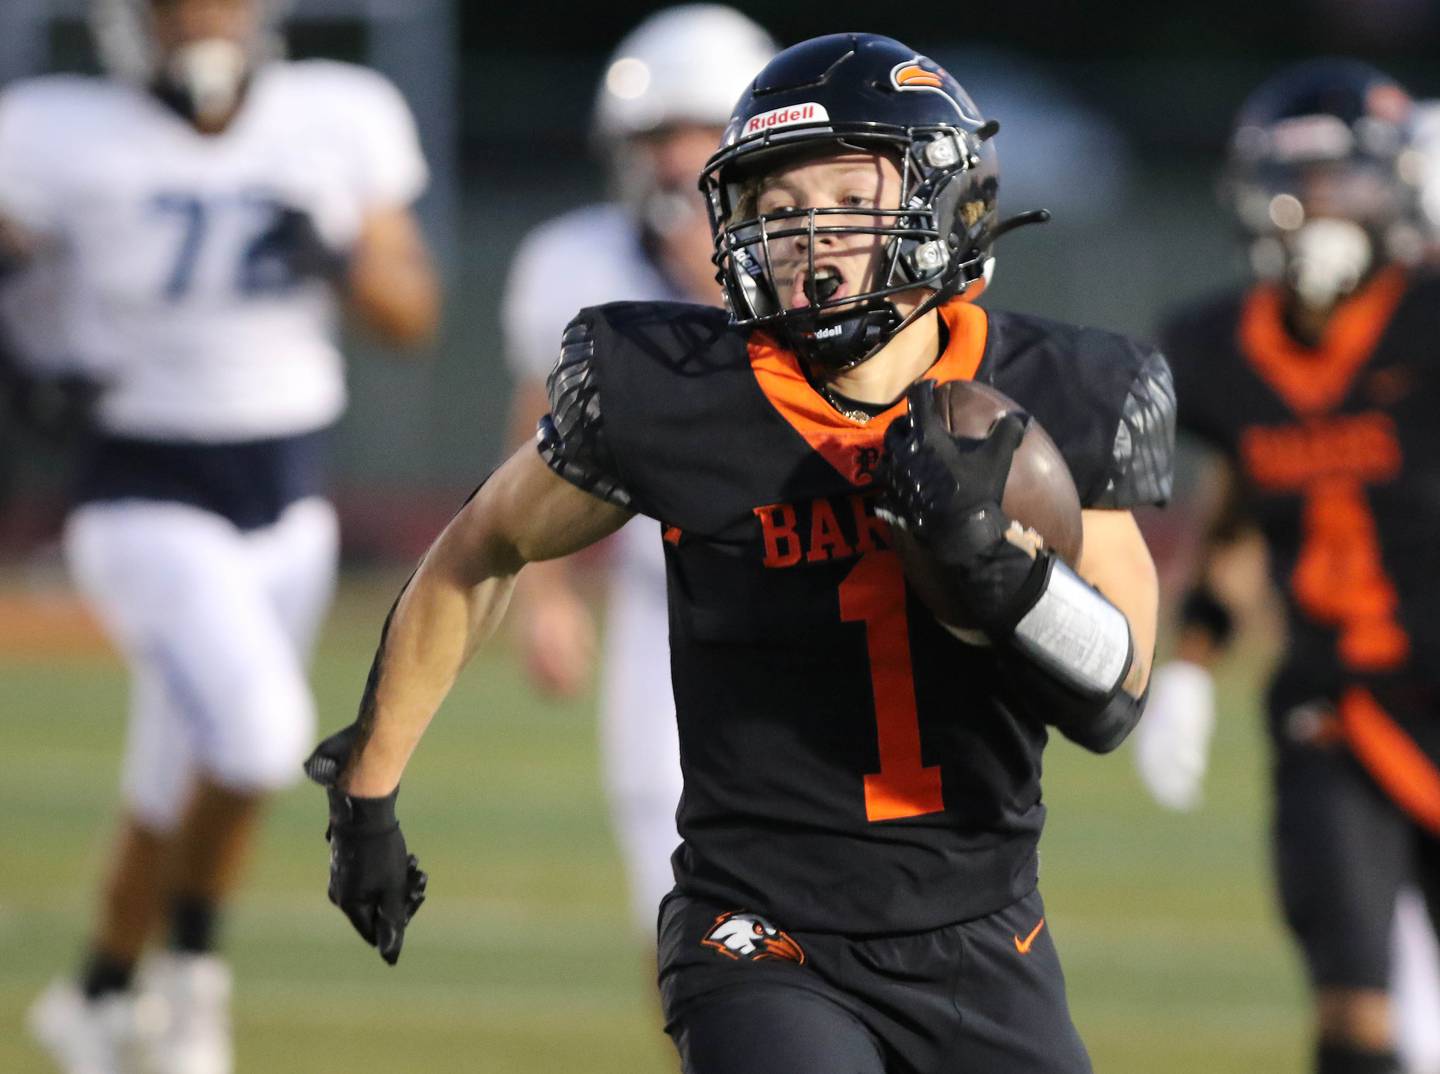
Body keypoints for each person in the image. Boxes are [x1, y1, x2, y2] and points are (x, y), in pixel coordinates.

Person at [306, 33, 1172, 1073]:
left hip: (985, 932)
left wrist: (1006, 580)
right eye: (774, 205)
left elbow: (1117, 693)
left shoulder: (1054, 393)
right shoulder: (678, 391)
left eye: (845, 197)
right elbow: (481, 542)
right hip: (760, 931)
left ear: (944, 196)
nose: (806, 234)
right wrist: (367, 789)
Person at [1, 1, 440, 1072]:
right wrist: (22, 369)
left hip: (290, 502)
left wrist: (337, 256)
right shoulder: (53, 130)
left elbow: (412, 313)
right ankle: (192, 980)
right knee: (255, 735)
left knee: (170, 778)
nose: (203, 18)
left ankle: (95, 996)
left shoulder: (338, 114)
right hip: (138, 486)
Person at [1137, 60, 1440, 1074]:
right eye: (1295, 181)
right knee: (1356, 1015)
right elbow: (1237, 517)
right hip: (1333, 710)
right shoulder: (1218, 347)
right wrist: (1190, 661)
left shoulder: (1428, 318)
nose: (1315, 207)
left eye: (1343, 179)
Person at [500, 4, 776, 939]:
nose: (670, 159)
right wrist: (543, 593)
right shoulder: (573, 258)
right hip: (661, 607)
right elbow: (540, 432)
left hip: (821, 589)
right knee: (677, 911)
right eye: (655, 136)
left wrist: (719, 269)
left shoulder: (824, 256)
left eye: (694, 132)